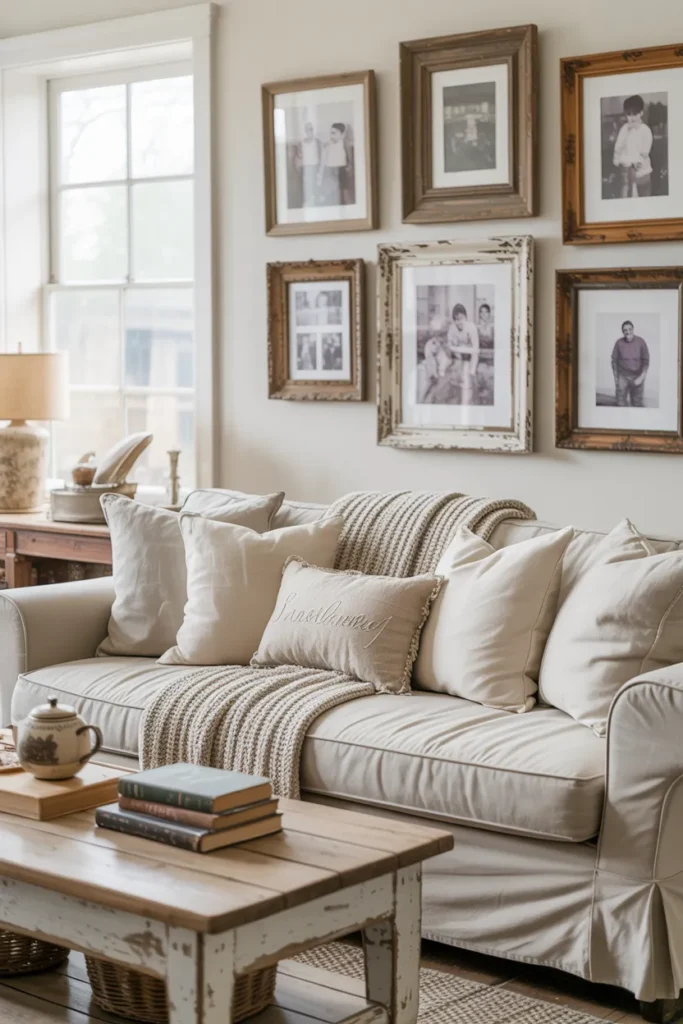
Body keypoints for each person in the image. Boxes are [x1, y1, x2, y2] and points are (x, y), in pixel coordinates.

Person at [612, 95, 653, 198]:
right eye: (629, 114)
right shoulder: (624, 129)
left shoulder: (645, 131)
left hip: (642, 174)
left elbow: (644, 153)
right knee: (625, 199)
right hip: (626, 174)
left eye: (635, 114)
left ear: (641, 113)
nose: (632, 117)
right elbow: (618, 146)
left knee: (644, 201)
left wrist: (633, 170)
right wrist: (617, 160)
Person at [611, 320, 649, 407]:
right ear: (622, 332)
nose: (627, 332)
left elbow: (646, 360)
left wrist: (642, 377)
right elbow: (614, 361)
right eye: (625, 330)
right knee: (620, 402)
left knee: (637, 404)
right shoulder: (618, 343)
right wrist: (617, 378)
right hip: (623, 376)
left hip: (638, 376)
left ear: (633, 329)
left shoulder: (641, 342)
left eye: (629, 329)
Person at [319, 123, 354, 205]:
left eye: (334, 133)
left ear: (342, 135)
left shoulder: (344, 143)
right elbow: (324, 160)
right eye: (331, 133)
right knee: (330, 192)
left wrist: (349, 166)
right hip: (330, 170)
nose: (331, 135)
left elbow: (349, 157)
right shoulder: (328, 144)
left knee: (343, 191)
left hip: (341, 169)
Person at [297, 122, 322, 205]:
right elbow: (300, 155)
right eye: (307, 129)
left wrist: (319, 168)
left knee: (315, 183)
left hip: (314, 165)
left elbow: (320, 155)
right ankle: (307, 200)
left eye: (311, 129)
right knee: (307, 183)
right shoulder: (302, 142)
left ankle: (316, 200)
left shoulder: (317, 141)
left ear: (313, 130)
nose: (309, 131)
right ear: (305, 131)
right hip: (306, 166)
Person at [476, 303, 494, 404]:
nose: (483, 314)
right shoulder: (477, 327)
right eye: (481, 312)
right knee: (481, 374)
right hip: (481, 356)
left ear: (489, 314)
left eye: (486, 312)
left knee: (491, 377)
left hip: (491, 357)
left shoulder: (492, 327)